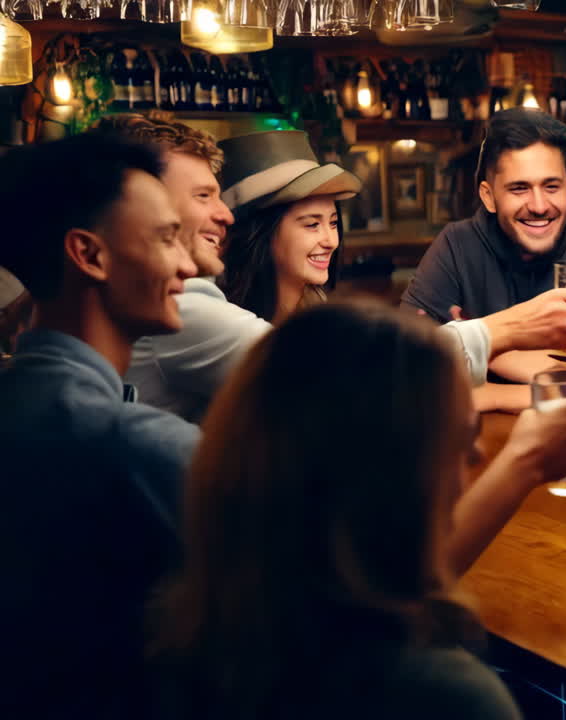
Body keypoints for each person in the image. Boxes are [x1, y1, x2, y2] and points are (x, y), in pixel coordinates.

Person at [149, 300, 566, 718]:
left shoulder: (183, 642)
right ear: (388, 475)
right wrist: (524, 464)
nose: (473, 458)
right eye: (454, 439)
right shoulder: (444, 695)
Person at [0, 134, 200, 717]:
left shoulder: (17, 397)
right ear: (89, 255)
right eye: (167, 238)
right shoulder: (133, 444)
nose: (188, 264)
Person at [400, 108, 566, 410]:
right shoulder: (457, 244)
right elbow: (405, 362)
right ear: (488, 196)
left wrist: (484, 364)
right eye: (519, 188)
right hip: (477, 440)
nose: (539, 205)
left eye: (551, 186)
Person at [89, 114, 274, 422]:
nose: (226, 215)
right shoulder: (176, 303)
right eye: (203, 196)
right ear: (146, 204)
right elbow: (321, 378)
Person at [218, 130, 362, 325]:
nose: (331, 241)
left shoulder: (319, 312)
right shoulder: (229, 324)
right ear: (263, 232)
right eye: (312, 225)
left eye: (333, 223)